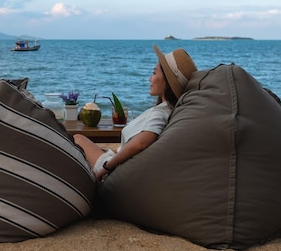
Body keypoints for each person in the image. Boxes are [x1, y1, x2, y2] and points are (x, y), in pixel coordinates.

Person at [74, 44, 197, 183]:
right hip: (120, 166)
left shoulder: (160, 114)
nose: (150, 79)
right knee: (85, 148)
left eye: (154, 73)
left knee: (77, 139)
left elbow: (142, 143)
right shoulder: (170, 110)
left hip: (115, 174)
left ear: (168, 81)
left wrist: (107, 166)